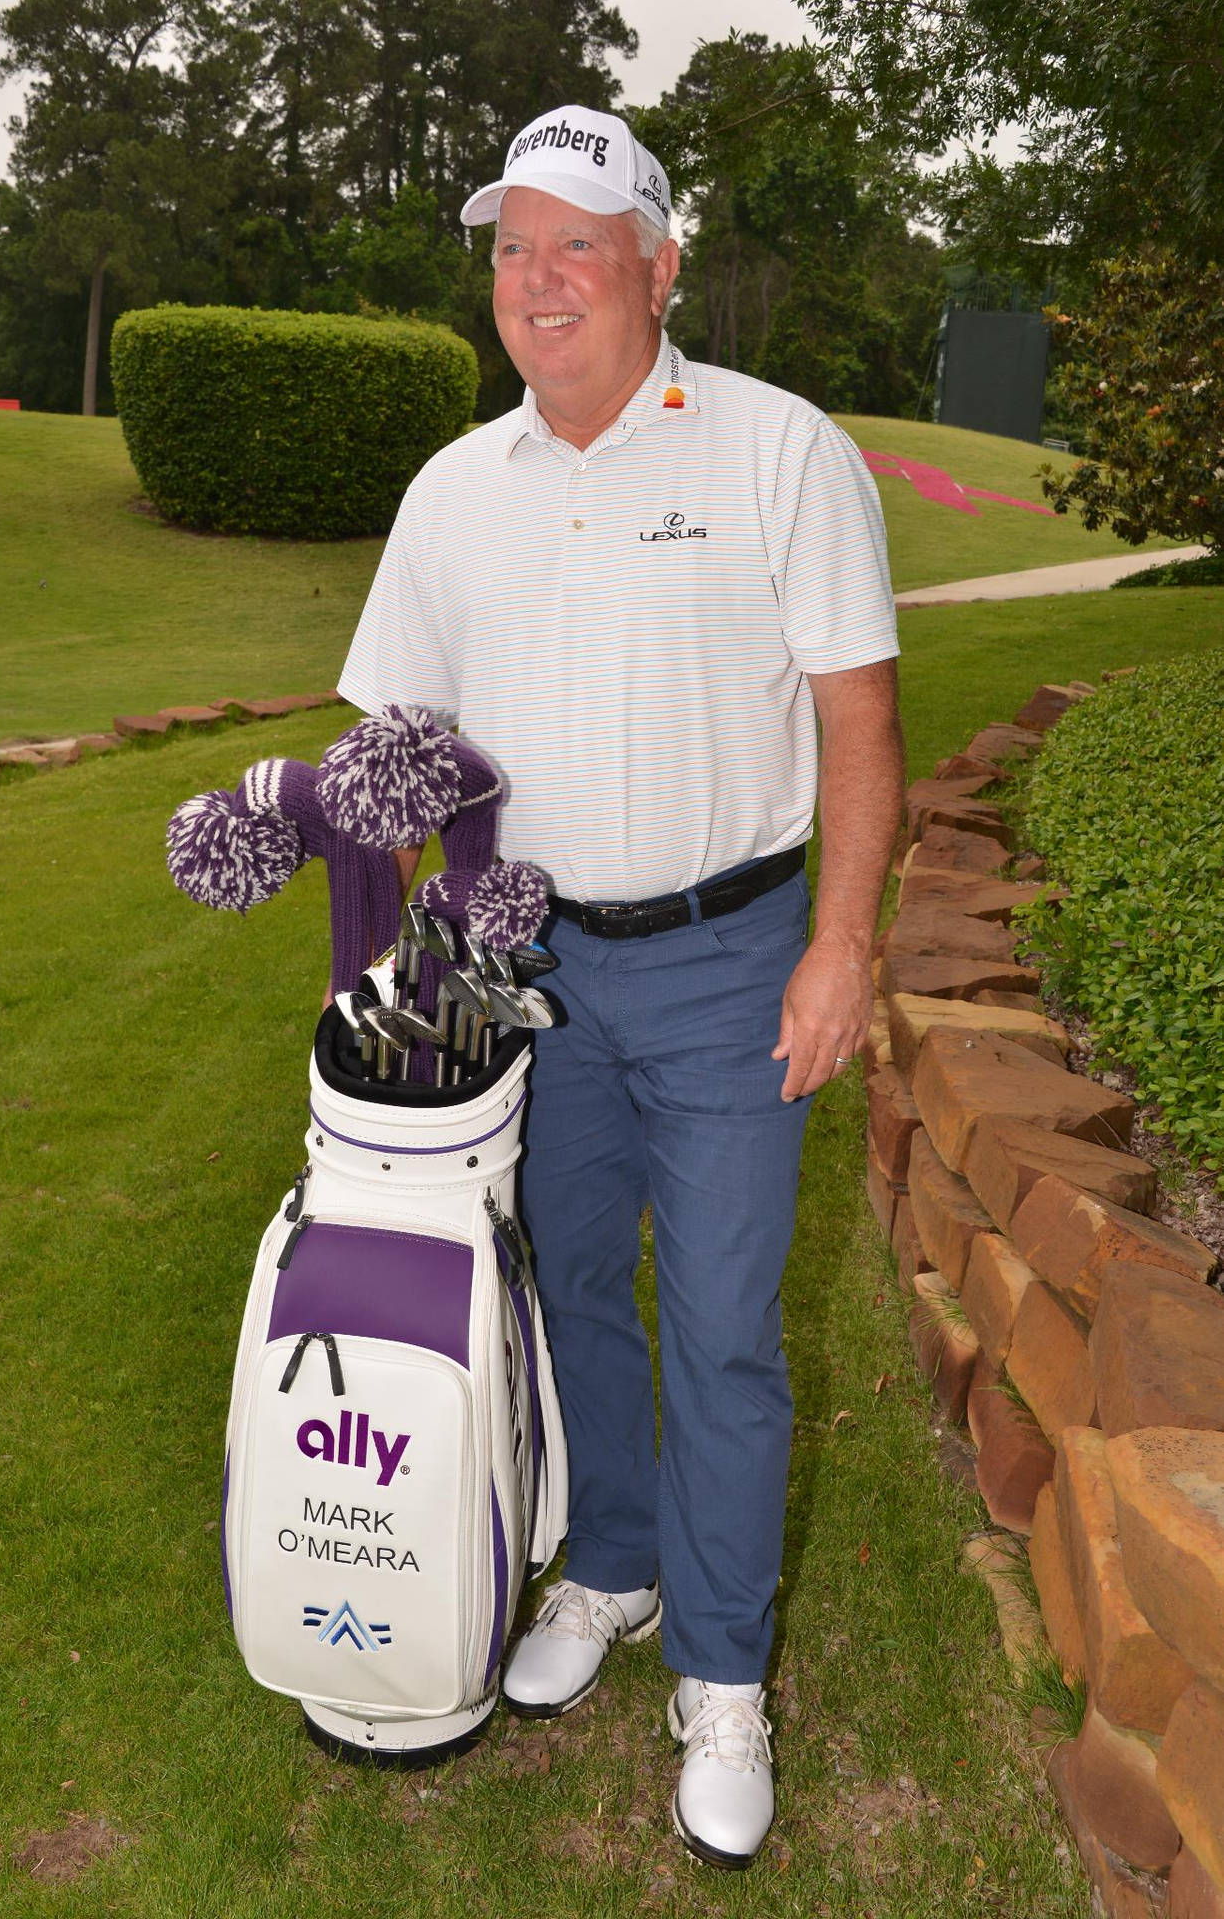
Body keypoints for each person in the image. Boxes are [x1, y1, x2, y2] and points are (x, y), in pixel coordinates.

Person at [338, 104, 904, 1869]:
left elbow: (858, 721)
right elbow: (394, 748)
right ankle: (615, 1569)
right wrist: (393, 971)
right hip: (527, 969)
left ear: (659, 264)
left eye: (576, 241)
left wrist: (841, 944)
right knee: (570, 1285)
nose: (537, 278)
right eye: (512, 247)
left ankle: (724, 1678)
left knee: (725, 1327)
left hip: (737, 955)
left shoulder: (776, 450)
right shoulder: (454, 486)